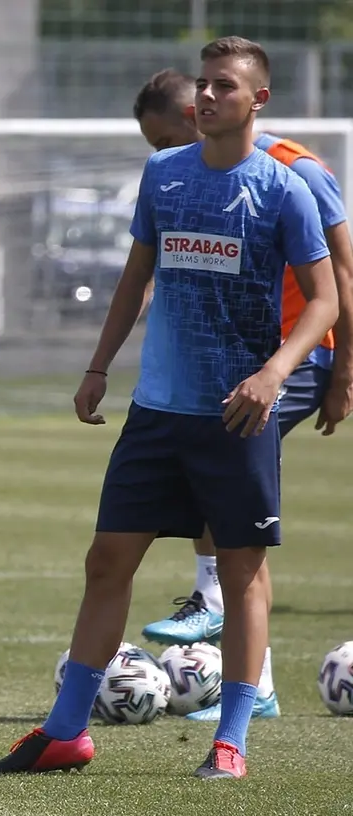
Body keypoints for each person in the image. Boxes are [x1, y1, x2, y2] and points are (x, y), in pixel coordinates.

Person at [0, 37, 338, 780]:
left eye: (224, 86)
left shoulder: (285, 189)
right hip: (157, 411)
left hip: (236, 415)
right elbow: (136, 273)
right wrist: (98, 366)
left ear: (258, 100)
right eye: (203, 84)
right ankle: (66, 732)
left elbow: (326, 299)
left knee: (241, 574)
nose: (207, 96)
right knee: (107, 561)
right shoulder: (163, 174)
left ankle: (230, 742)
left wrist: (275, 373)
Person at [131, 68, 353, 722]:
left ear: (195, 116)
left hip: (300, 357)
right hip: (240, 362)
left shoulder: (292, 170)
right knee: (229, 499)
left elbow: (343, 273)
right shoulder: (191, 177)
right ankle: (258, 684)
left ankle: (213, 606)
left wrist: (345, 372)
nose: (163, 156)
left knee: (223, 474)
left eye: (163, 140)